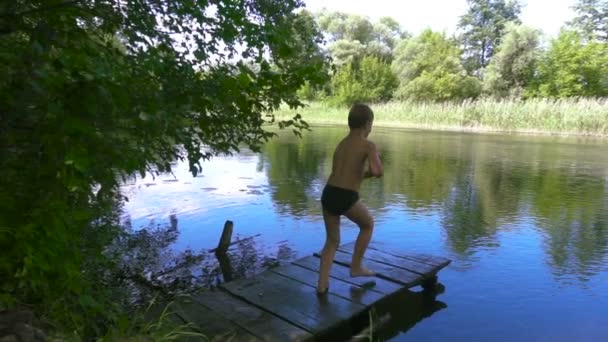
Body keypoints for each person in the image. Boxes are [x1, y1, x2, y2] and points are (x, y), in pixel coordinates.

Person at [316, 103, 384, 295]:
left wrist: (364, 173)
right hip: (346, 195)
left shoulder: (342, 144)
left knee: (331, 241)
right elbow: (378, 171)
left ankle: (322, 285)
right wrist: (373, 164)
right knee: (368, 224)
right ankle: (356, 267)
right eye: (371, 125)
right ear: (367, 124)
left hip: (328, 193)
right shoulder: (368, 145)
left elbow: (346, 173)